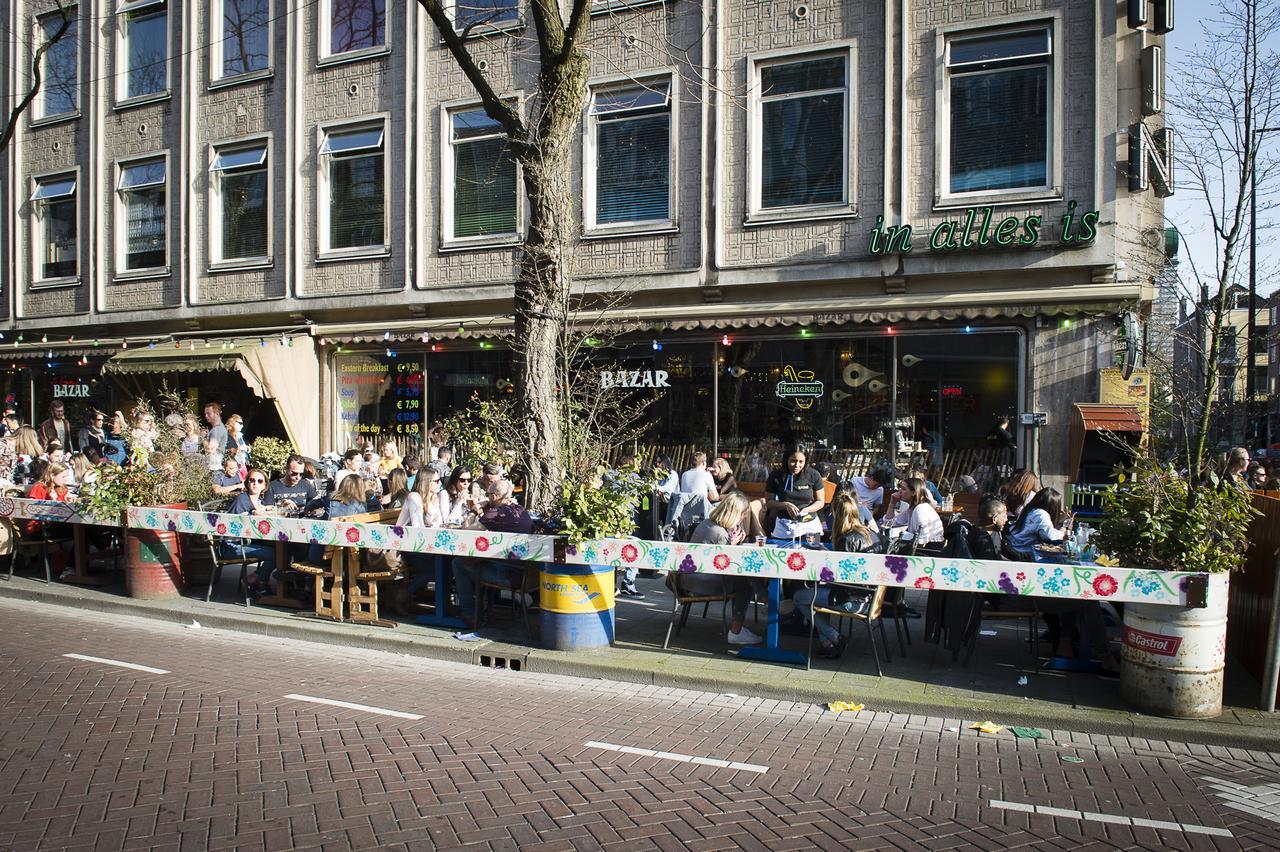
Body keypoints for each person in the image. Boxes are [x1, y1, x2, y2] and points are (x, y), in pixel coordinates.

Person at [794, 492, 878, 657]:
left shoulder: (846, 540)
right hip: (870, 597)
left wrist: (819, 565)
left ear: (836, 515)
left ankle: (835, 638)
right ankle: (827, 645)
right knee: (814, 594)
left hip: (850, 599)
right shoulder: (872, 534)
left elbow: (839, 577)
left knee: (799, 597)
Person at [682, 493, 763, 645]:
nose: (744, 518)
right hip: (699, 581)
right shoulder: (718, 533)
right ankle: (737, 630)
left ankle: (764, 600)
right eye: (743, 514)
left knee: (745, 578)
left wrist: (733, 544)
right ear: (734, 513)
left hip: (690, 577)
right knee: (745, 581)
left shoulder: (709, 524)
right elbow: (729, 565)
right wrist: (733, 546)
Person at [452, 479, 533, 624]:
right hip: (528, 573)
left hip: (510, 574)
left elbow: (465, 531)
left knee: (459, 563)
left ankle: (470, 615)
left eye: (488, 494)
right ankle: (485, 608)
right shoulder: (520, 509)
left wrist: (474, 510)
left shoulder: (496, 513)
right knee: (474, 560)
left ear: (494, 497)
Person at [759, 445, 826, 542]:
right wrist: (785, 505)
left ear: (805, 461)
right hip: (784, 526)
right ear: (786, 459)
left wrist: (807, 509)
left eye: (801, 462)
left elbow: (820, 501)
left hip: (809, 525)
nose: (796, 465)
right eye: (793, 461)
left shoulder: (813, 475)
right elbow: (769, 502)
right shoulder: (776, 476)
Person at [229, 468, 277, 597]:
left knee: (282, 548)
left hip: (249, 541)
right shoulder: (242, 500)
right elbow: (237, 526)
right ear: (247, 483)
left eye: (259, 481)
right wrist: (252, 514)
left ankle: (254, 577)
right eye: (252, 480)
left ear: (264, 485)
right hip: (233, 544)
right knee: (275, 554)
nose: (255, 483)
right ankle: (261, 584)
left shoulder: (260, 502)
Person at [1006, 487, 1071, 557]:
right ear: (1052, 506)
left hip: (1015, 546)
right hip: (1022, 552)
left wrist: (1059, 521)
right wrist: (1063, 530)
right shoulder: (1041, 514)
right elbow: (1050, 536)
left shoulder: (1030, 509)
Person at [887, 477, 945, 545]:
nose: (899, 491)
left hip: (930, 550)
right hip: (920, 548)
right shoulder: (911, 509)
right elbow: (890, 524)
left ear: (913, 493)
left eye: (903, 489)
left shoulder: (920, 509)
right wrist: (892, 504)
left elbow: (923, 541)